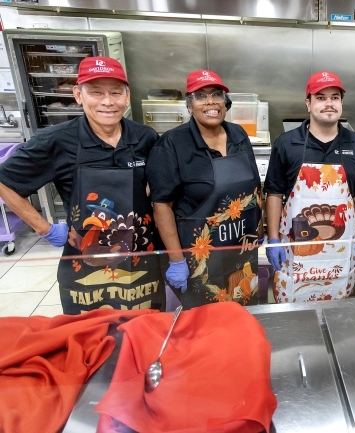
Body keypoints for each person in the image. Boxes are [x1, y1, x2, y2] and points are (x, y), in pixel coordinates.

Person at [0, 56, 164, 314]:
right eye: (96, 92)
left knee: (144, 329)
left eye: (116, 92)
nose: (108, 101)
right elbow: (4, 181)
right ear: (78, 95)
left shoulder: (145, 137)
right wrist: (44, 228)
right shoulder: (55, 140)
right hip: (86, 257)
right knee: (91, 334)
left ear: (127, 95)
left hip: (141, 254)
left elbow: (154, 190)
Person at [147, 70, 263, 309]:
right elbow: (162, 205)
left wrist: (259, 226)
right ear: (189, 106)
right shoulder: (172, 144)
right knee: (206, 324)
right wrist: (176, 259)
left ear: (225, 102)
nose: (210, 102)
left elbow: (253, 190)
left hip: (241, 249)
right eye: (201, 96)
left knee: (242, 312)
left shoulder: (238, 134)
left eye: (216, 95)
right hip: (198, 257)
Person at [264, 71, 355, 303]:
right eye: (321, 97)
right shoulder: (287, 143)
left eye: (334, 97)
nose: (328, 104)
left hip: (340, 250)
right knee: (294, 320)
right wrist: (273, 239)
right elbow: (274, 194)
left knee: (336, 314)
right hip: (296, 248)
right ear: (308, 103)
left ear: (341, 103)